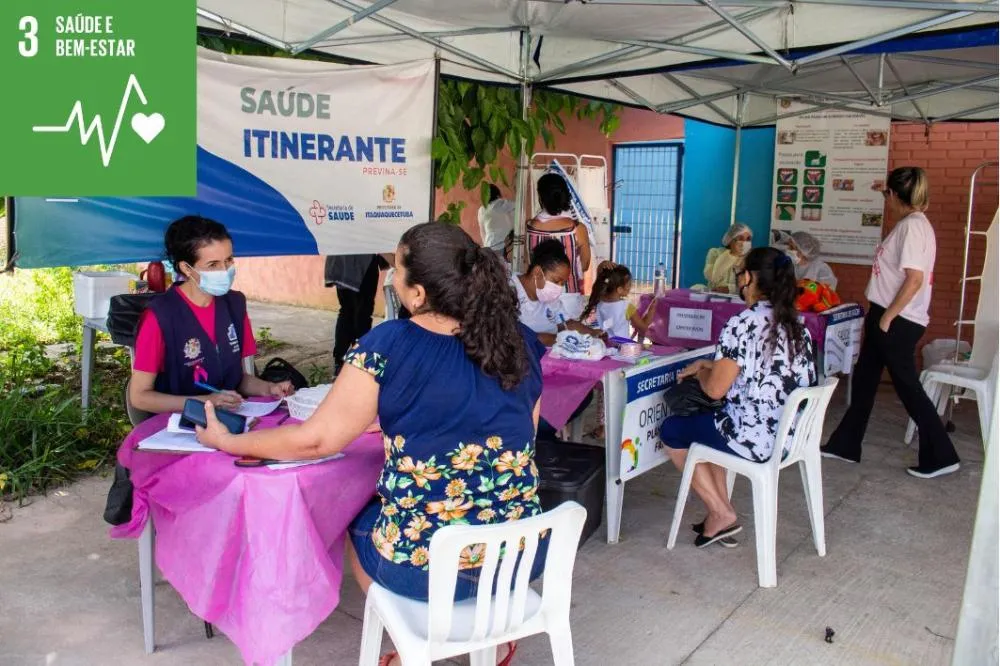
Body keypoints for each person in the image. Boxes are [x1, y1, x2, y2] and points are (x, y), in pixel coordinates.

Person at [196, 222, 546, 665]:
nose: (391, 278)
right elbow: (522, 437)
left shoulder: (390, 343)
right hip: (517, 559)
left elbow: (315, 440)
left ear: (417, 293)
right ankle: (487, 640)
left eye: (397, 270)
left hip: (427, 570)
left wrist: (227, 441)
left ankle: (408, 646)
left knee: (358, 517)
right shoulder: (521, 341)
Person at [661, 247, 816, 546]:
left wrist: (701, 372)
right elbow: (765, 371)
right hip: (791, 438)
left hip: (754, 439)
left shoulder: (742, 324)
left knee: (672, 430)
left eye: (738, 274)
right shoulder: (799, 327)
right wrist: (714, 366)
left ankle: (720, 512)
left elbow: (715, 390)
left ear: (749, 278)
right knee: (711, 423)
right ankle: (722, 512)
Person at [821, 167, 961, 479]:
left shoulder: (912, 227)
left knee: (908, 387)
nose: (885, 201)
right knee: (866, 380)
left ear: (896, 196)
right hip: (888, 315)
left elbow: (914, 280)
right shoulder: (914, 224)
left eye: (887, 195)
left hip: (896, 319)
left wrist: (886, 317)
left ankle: (941, 454)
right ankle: (845, 445)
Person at [128, 216, 294, 414]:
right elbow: (140, 397)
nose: (224, 270)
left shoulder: (235, 304)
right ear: (186, 268)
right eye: (213, 265)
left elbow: (237, 379)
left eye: (228, 260)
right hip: (176, 426)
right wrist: (205, 402)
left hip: (228, 419)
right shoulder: (160, 316)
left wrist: (268, 388)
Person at [513, 239, 602, 347]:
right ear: (537, 272)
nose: (559, 287)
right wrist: (561, 339)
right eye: (556, 281)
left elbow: (566, 323)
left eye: (562, 283)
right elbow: (522, 337)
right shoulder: (510, 291)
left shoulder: (549, 298)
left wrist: (594, 333)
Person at [326, 254, 390, 375]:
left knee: (347, 311)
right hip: (361, 262)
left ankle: (340, 361)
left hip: (340, 261)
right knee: (362, 314)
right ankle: (360, 361)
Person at [527, 173, 592, 294]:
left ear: (541, 197)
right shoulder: (578, 229)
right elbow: (585, 265)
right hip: (568, 294)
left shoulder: (530, 226)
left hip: (538, 293)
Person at [582, 261, 658, 341]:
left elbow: (601, 281)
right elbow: (643, 328)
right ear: (620, 289)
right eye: (629, 285)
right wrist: (651, 310)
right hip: (622, 349)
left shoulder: (599, 300)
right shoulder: (627, 307)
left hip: (603, 345)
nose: (630, 287)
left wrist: (601, 266)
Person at [703, 223, 752, 293]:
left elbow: (752, 284)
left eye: (748, 239)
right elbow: (713, 278)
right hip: (715, 296)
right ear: (730, 240)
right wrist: (733, 255)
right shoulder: (715, 253)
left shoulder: (751, 257)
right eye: (740, 239)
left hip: (739, 299)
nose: (745, 242)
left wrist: (730, 289)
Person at [478, 184, 516, 257]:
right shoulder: (508, 204)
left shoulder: (482, 210)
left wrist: (486, 247)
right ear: (498, 194)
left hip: (490, 246)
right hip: (508, 246)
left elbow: (482, 232)